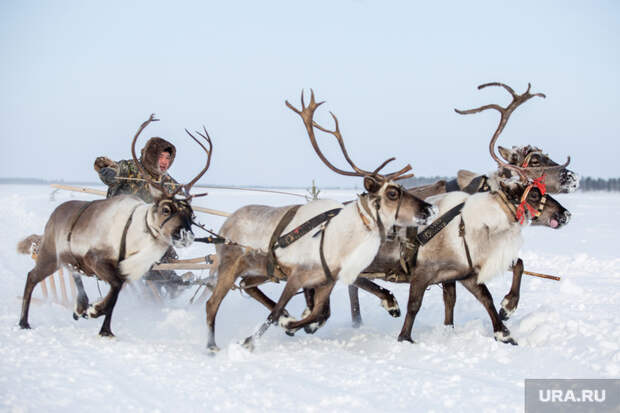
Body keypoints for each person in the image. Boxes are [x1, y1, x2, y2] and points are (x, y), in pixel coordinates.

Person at [93, 137, 191, 299]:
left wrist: (185, 197)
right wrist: (108, 172)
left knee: (165, 248)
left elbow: (178, 194)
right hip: (120, 229)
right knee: (149, 252)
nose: (165, 162)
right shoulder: (131, 168)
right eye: (160, 157)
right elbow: (110, 174)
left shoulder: (165, 180)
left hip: (148, 230)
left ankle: (161, 288)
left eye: (168, 158)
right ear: (152, 155)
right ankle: (171, 284)